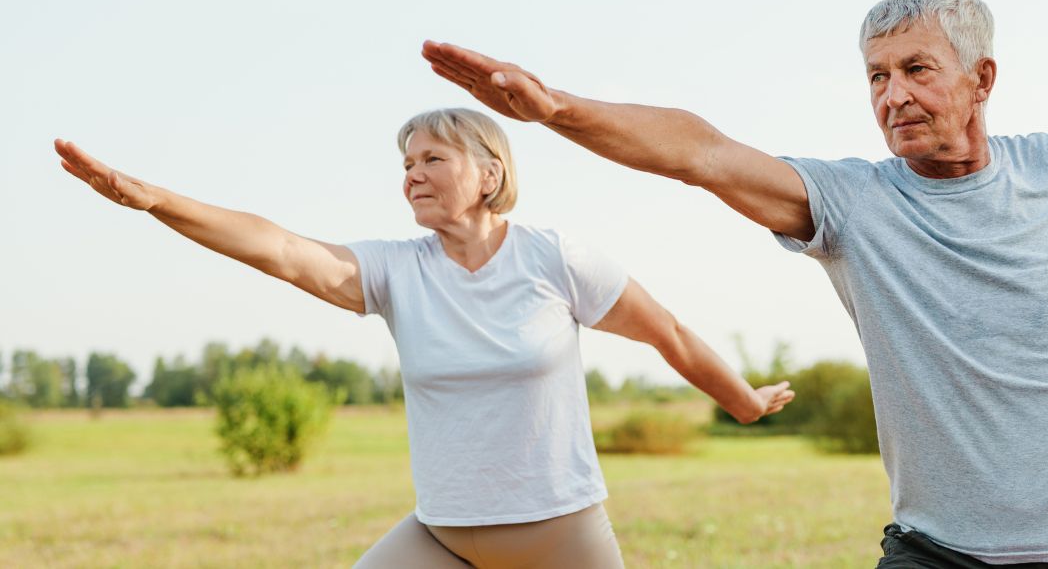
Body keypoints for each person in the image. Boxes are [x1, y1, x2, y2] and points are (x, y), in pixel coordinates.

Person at [421, 0, 1048, 567]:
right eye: (876, 77)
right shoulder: (853, 203)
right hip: (947, 551)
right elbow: (702, 153)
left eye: (917, 70)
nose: (893, 96)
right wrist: (558, 110)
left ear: (982, 78)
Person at [53, 107, 795, 569]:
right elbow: (277, 247)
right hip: (443, 536)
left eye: (432, 158)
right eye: (405, 164)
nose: (412, 175)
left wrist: (745, 402)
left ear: (489, 172)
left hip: (559, 537)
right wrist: (153, 201)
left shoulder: (553, 257)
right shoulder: (394, 272)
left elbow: (667, 332)